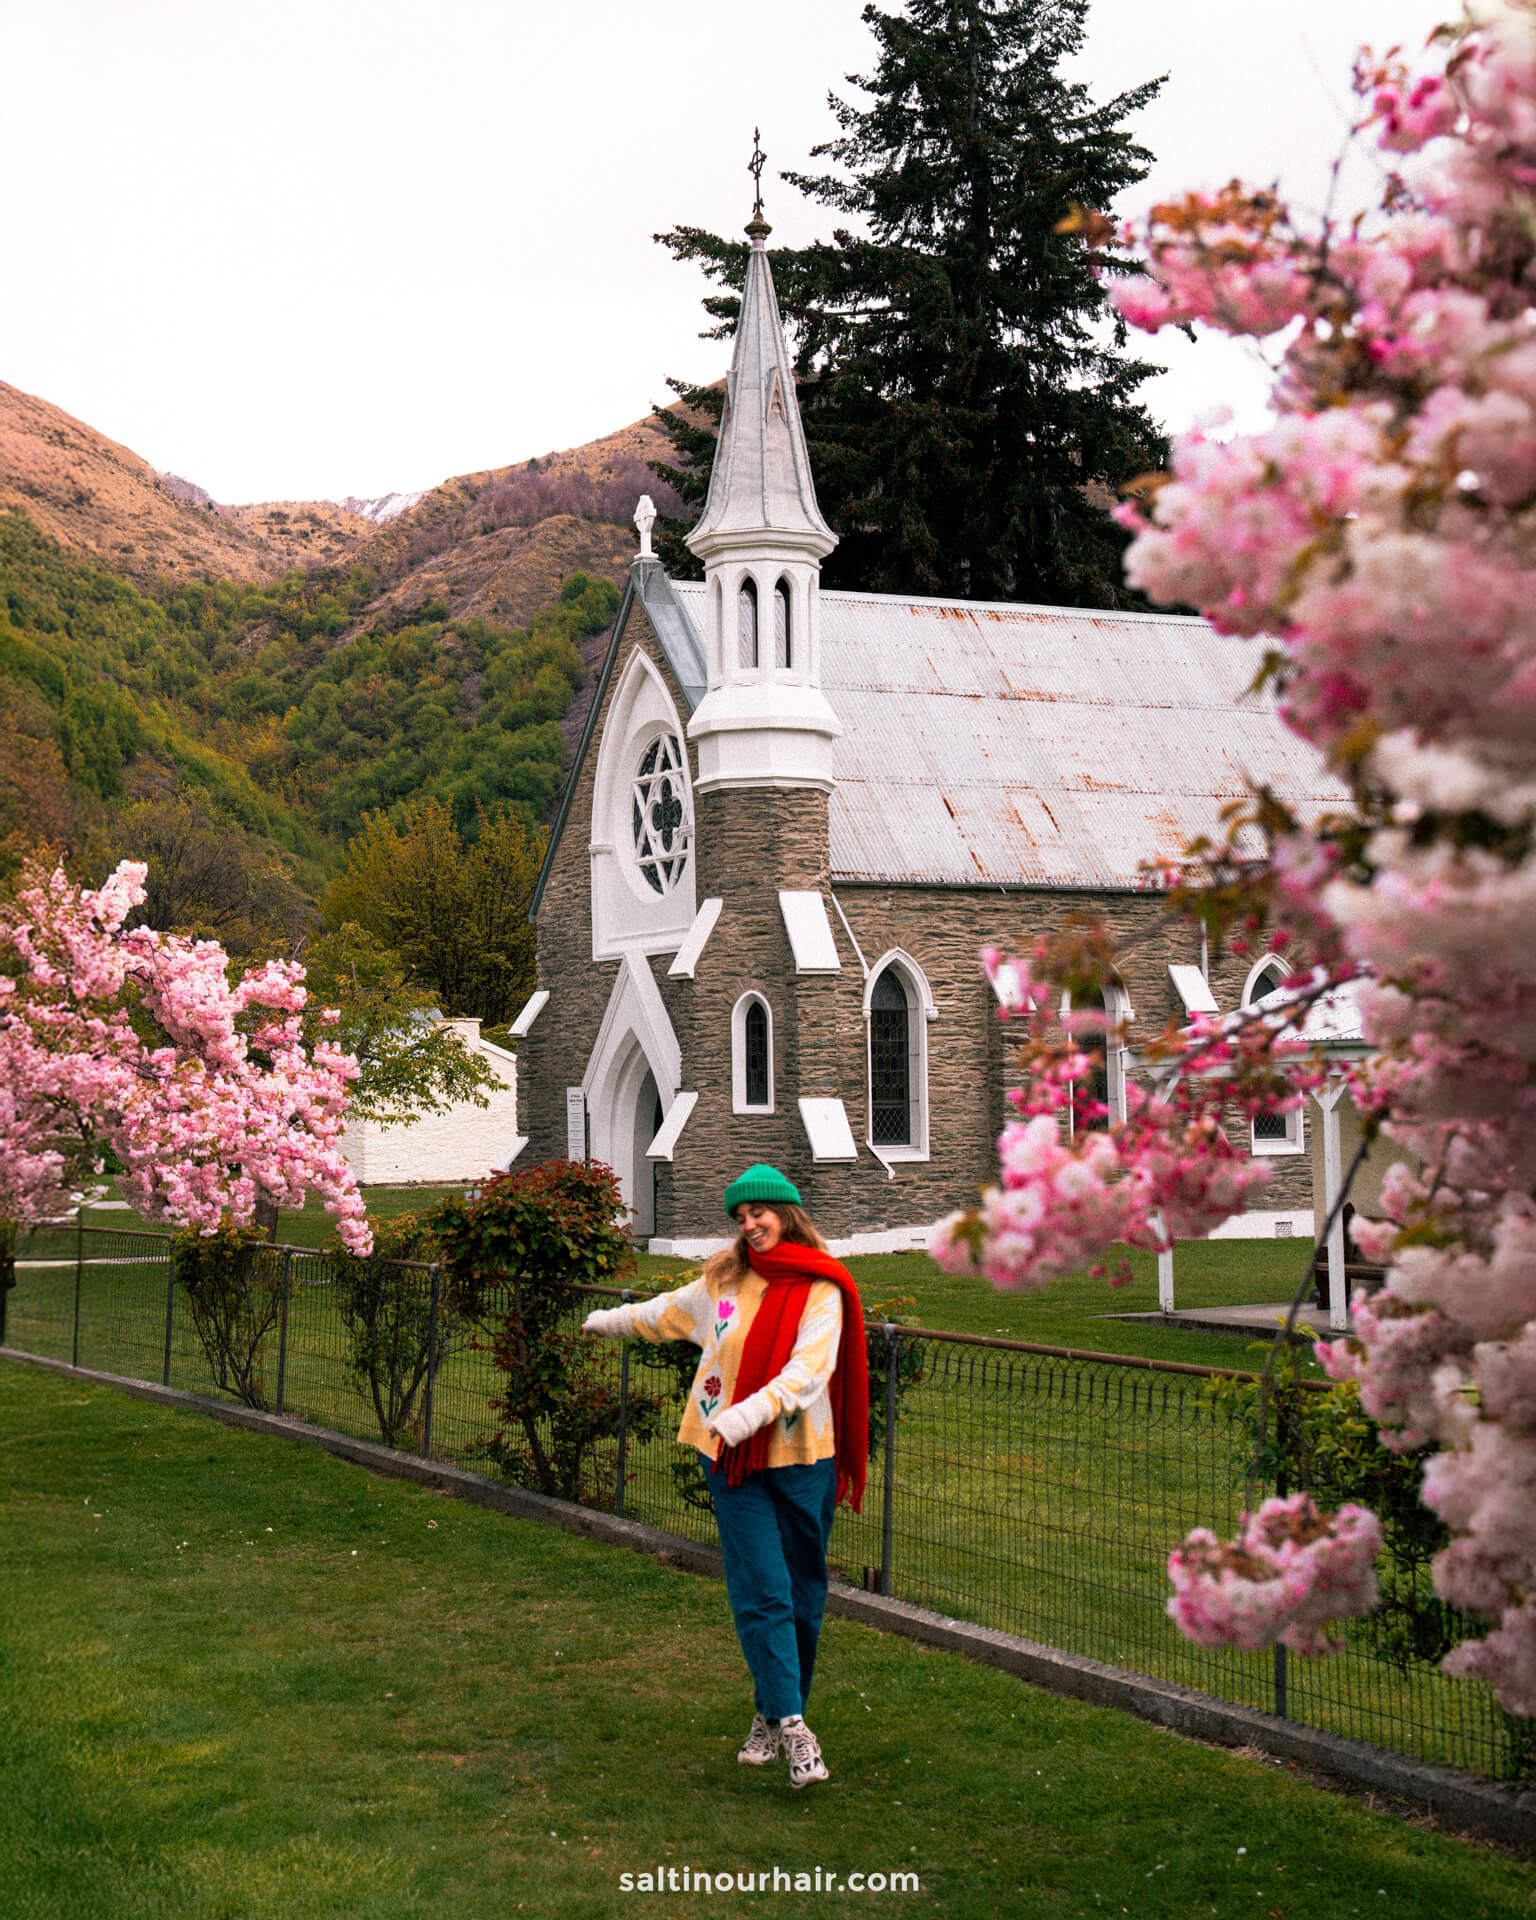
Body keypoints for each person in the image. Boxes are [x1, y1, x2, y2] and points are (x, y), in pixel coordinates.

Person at [581, 1164, 868, 1789]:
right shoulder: (724, 1279)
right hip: (729, 1460)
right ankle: (794, 1727)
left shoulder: (824, 1288)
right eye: (739, 1218)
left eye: (757, 1213)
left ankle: (770, 1710)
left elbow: (809, 1372)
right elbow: (666, 1314)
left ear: (785, 1212)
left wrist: (751, 1413)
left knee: (802, 1593)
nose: (749, 1225)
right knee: (761, 1588)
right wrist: (609, 1320)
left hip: (802, 1459)